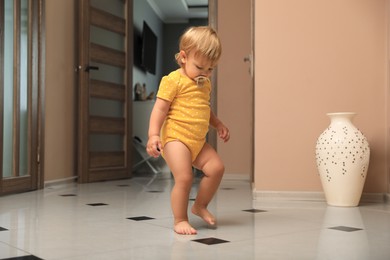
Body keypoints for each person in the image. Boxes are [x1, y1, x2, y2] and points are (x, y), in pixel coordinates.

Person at [146, 26, 230, 235]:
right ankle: (180, 219)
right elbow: (160, 108)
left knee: (217, 168)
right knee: (184, 178)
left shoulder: (204, 83)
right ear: (184, 57)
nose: (205, 73)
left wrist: (218, 123)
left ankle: (200, 206)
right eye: (200, 67)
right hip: (176, 139)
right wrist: (153, 134)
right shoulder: (173, 80)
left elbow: (204, 108)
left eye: (210, 69)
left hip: (197, 141)